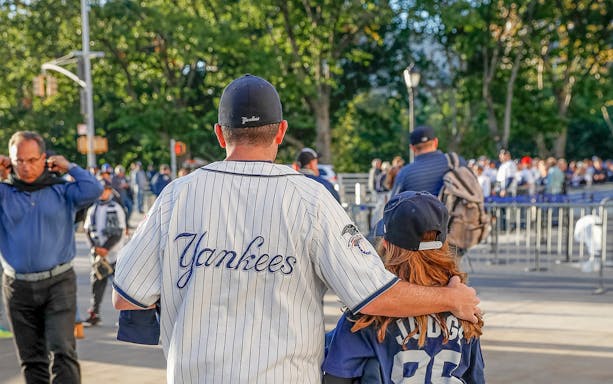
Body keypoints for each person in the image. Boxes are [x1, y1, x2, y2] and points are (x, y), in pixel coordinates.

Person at [112, 74, 480, 384]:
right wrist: (450, 299)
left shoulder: (176, 196)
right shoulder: (311, 199)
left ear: (221, 135)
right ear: (281, 132)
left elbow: (126, 296)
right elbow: (374, 293)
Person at [322, 191, 485, 383]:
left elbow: (336, 378)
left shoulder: (369, 313)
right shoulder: (465, 310)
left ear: (386, 244)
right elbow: (476, 378)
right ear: (443, 244)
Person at [0, 131, 102, 383]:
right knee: (31, 359)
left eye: (32, 160)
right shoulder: (5, 192)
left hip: (58, 283)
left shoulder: (61, 190)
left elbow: (94, 188)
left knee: (63, 351)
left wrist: (70, 167)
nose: (25, 166)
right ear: (10, 160)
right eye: (19, 161)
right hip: (17, 286)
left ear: (44, 158)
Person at [82, 180, 127, 327]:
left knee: (121, 287)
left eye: (105, 189)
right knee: (97, 285)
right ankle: (95, 313)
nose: (103, 192)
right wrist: (96, 248)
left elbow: (119, 231)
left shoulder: (116, 208)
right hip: (99, 255)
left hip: (113, 254)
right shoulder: (93, 209)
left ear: (110, 191)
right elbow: (88, 229)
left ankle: (125, 317)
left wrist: (106, 248)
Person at [390, 126, 465, 197]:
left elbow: (392, 207)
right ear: (436, 142)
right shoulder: (456, 161)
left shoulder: (405, 173)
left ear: (412, 148)